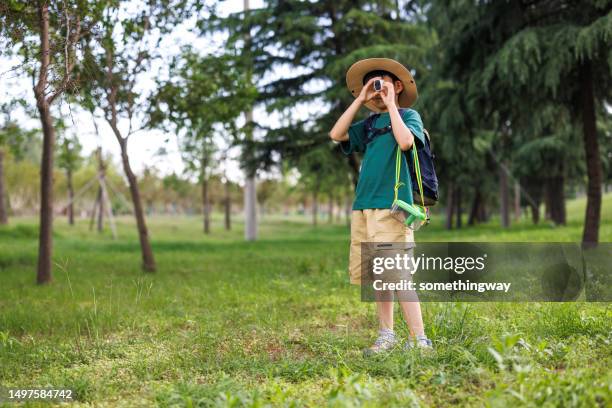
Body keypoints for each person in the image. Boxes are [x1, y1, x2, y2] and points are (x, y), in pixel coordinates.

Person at [328, 58, 432, 355]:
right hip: (364, 206)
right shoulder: (370, 124)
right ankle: (387, 334)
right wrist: (361, 99)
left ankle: (420, 340)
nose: (375, 87)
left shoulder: (409, 116)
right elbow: (337, 135)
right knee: (379, 276)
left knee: (398, 274)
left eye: (381, 81)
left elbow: (405, 143)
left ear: (397, 85)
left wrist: (391, 104)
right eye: (370, 83)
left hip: (392, 206)